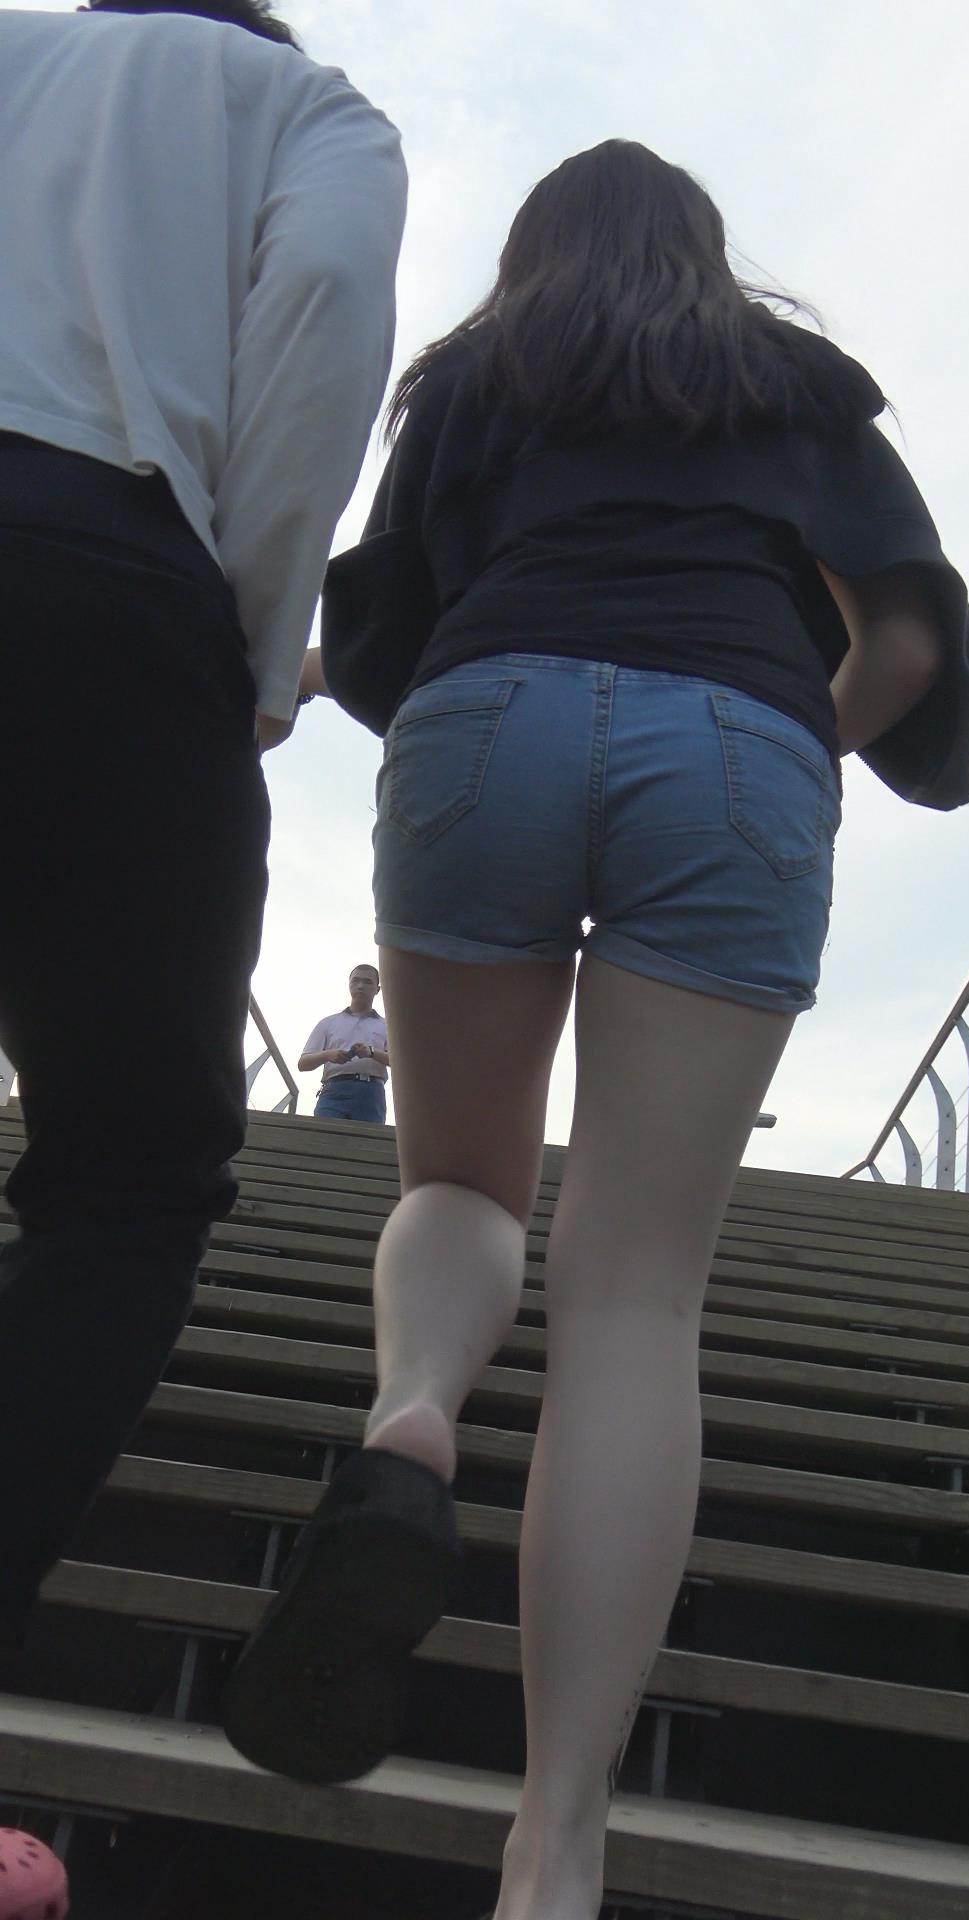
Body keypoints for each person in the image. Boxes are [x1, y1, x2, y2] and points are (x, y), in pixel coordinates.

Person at [225, 141, 969, 1920]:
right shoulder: (794, 383)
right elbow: (900, 640)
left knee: (461, 1186)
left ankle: (416, 1413)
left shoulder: (479, 378)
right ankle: (555, 1844)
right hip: (735, 739)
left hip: (489, 715)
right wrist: (778, 738)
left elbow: (388, 618)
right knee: (638, 1294)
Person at [0, 0, 406, 1648]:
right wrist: (250, 640)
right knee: (127, 1183)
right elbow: (325, 302)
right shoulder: (313, 108)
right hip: (117, 579)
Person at [299, 964, 391, 1124]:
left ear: (377, 989)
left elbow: (400, 1062)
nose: (360, 986)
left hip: (371, 1092)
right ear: (349, 984)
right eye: (355, 981)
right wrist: (328, 1055)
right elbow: (303, 1064)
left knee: (366, 1139)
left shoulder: (387, 1026)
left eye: (367, 982)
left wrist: (371, 1052)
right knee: (325, 1136)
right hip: (334, 1089)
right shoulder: (328, 1023)